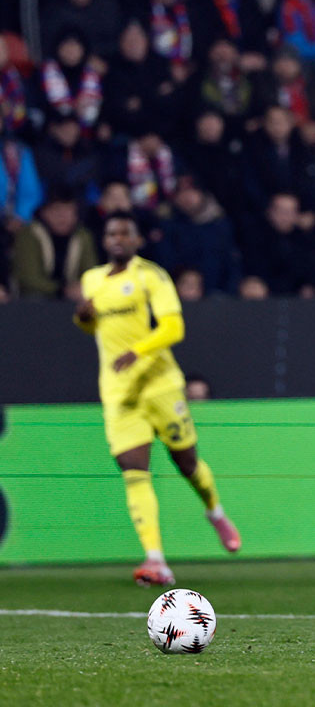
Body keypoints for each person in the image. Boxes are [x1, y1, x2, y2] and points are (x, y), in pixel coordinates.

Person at [72, 212, 240, 587]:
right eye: (112, 233)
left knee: (187, 462)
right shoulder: (92, 279)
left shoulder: (152, 276)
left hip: (159, 384)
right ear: (105, 240)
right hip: (119, 392)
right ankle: (156, 560)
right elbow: (93, 327)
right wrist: (83, 318)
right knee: (134, 472)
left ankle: (215, 511)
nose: (118, 238)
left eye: (125, 233)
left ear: (137, 240)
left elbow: (174, 327)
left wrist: (138, 351)